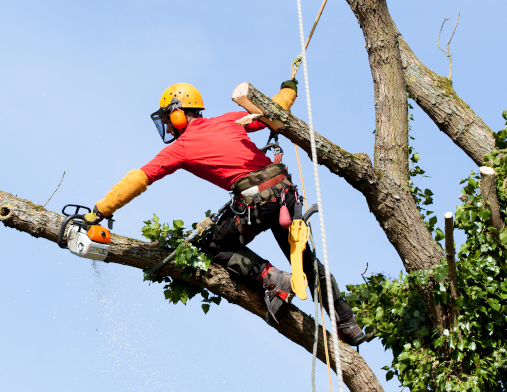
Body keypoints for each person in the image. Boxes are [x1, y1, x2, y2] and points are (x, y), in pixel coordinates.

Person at [86, 82, 369, 345]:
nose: (169, 130)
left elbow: (139, 178)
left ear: (177, 115)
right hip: (284, 196)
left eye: (168, 121)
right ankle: (348, 324)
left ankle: (273, 278)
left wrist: (99, 210)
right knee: (306, 263)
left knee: (213, 247)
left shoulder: (181, 148)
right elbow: (274, 107)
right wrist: (288, 89)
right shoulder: (228, 120)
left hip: (256, 203)